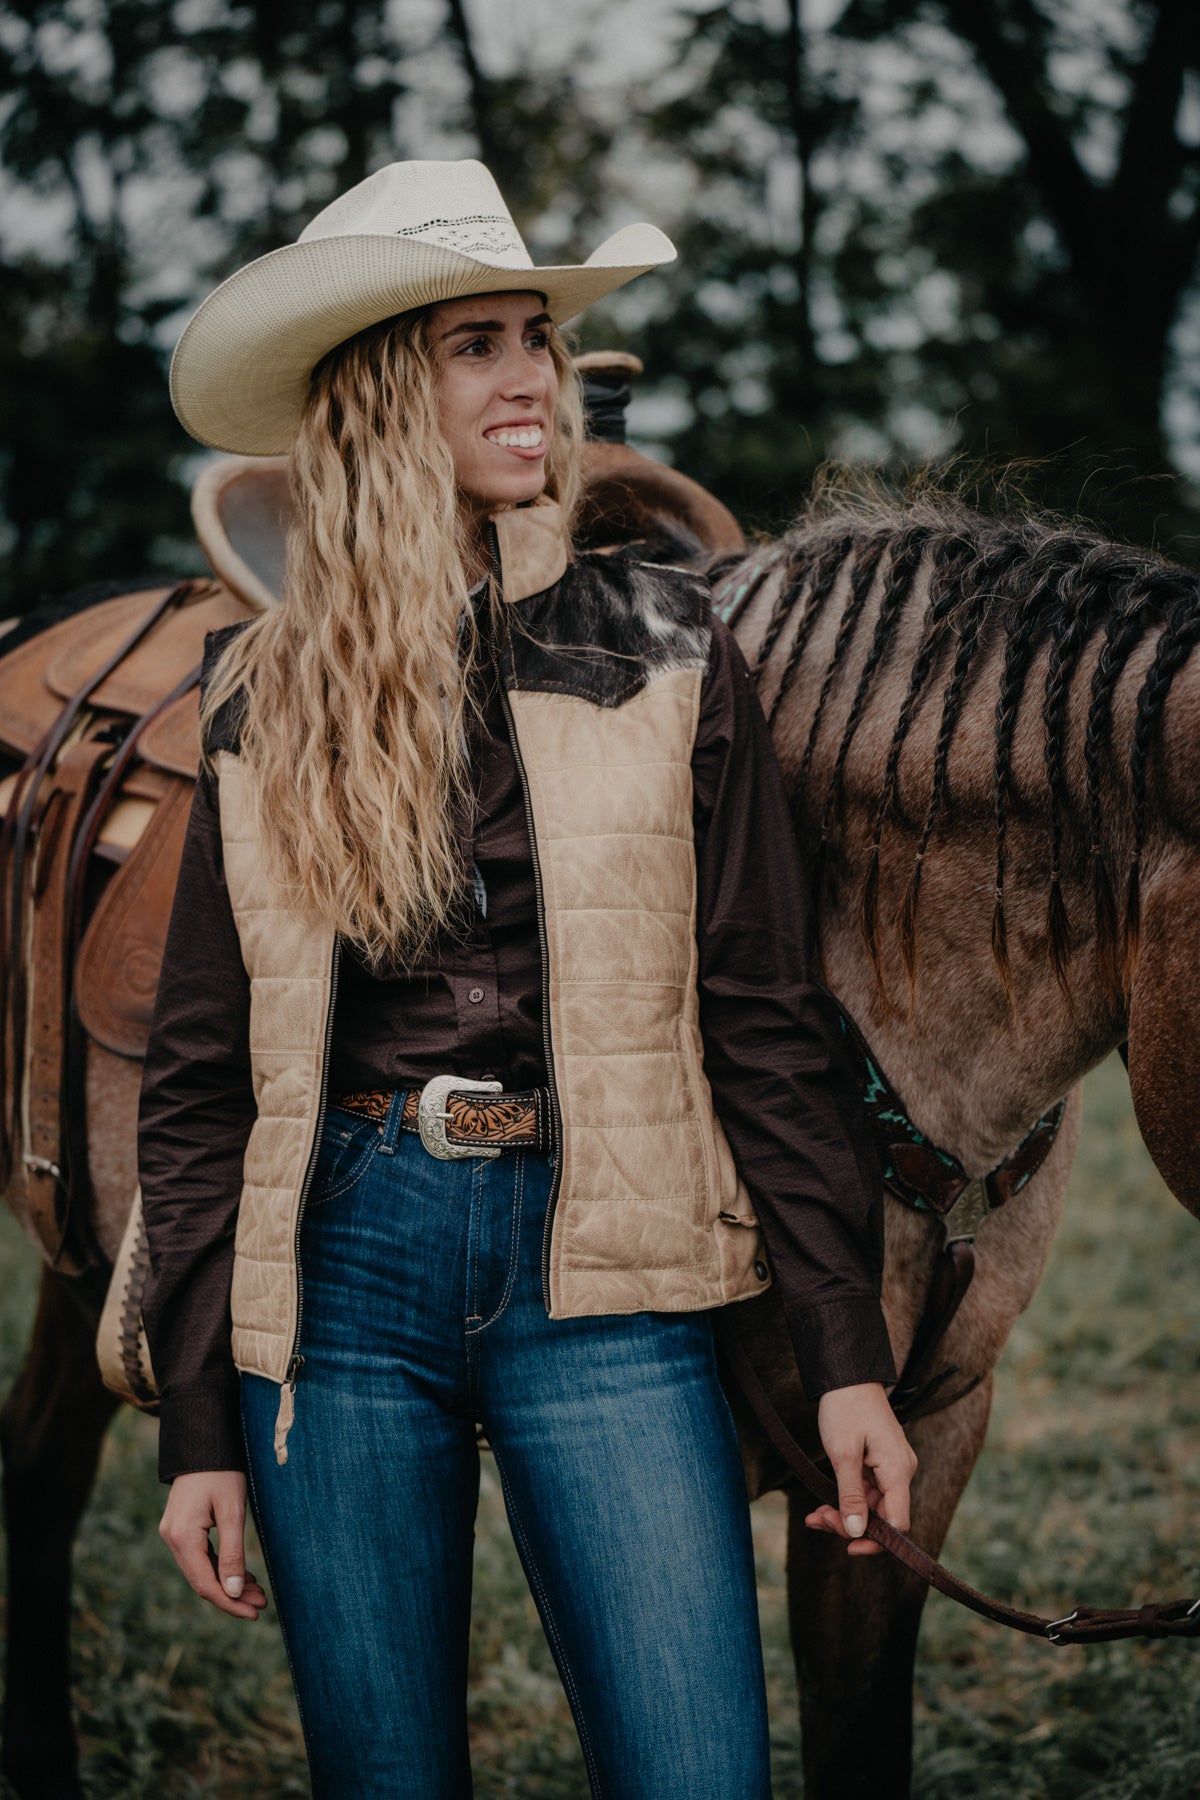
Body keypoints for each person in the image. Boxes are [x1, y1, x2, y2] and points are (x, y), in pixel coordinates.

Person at [141, 159, 916, 1798]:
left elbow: (764, 1017)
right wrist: (197, 1423)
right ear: (371, 394)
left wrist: (848, 1351)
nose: (530, 378)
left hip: (609, 1276)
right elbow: (208, 1082)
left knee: (700, 1770)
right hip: (341, 1277)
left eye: (537, 340)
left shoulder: (672, 647)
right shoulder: (258, 698)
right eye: (474, 343)